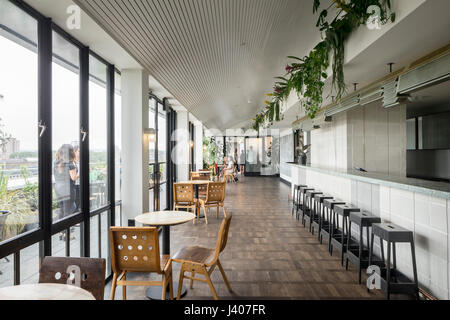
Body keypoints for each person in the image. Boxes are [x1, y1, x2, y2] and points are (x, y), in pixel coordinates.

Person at [54, 144, 77, 240]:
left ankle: (61, 232)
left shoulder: (56, 163)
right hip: (68, 189)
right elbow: (74, 177)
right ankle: (66, 234)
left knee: (61, 210)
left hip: (58, 189)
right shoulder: (70, 164)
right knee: (67, 212)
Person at [72, 146, 81, 214]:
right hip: (74, 185)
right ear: (74, 152)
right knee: (76, 202)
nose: (80, 153)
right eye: (79, 151)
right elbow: (74, 177)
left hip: (80, 184)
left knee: (79, 202)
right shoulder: (72, 162)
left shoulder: (80, 162)